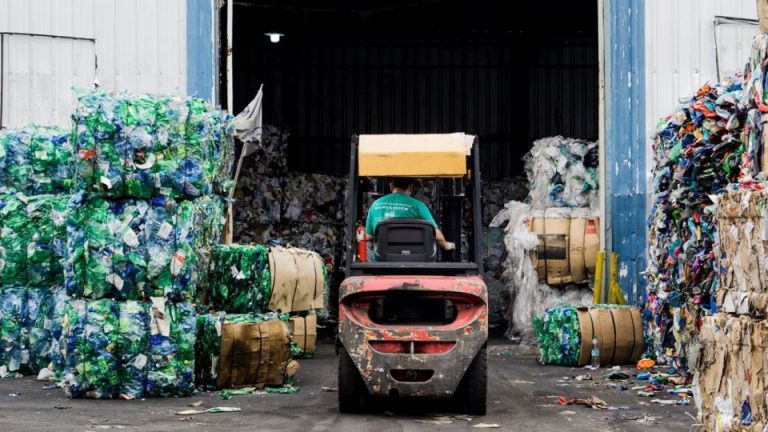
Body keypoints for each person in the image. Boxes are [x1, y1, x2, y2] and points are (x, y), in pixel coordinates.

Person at [365, 177, 455, 251]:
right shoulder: (419, 206)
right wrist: (445, 244)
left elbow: (368, 236)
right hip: (415, 259)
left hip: (383, 259)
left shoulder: (375, 205)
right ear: (411, 187)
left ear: (391, 186)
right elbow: (437, 236)